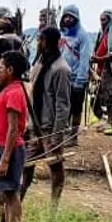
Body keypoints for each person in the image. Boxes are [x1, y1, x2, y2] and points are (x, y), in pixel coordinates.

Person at [22, 26, 71, 207]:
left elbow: (63, 105)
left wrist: (57, 135)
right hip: (35, 126)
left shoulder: (61, 69)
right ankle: (18, 198)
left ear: (48, 42)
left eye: (41, 40)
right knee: (27, 165)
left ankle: (54, 205)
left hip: (50, 129)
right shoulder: (39, 64)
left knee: (55, 166)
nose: (38, 43)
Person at [0, 51, 30, 222]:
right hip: (0, 147)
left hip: (8, 150)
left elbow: (13, 130)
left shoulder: (14, 93)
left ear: (10, 70)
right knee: (5, 192)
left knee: (11, 194)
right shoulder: (9, 90)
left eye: (0, 69)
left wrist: (5, 159)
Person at [58, 6, 93, 142]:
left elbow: (85, 59)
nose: (68, 19)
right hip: (63, 77)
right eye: (65, 16)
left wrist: (80, 80)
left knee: (76, 108)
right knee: (63, 106)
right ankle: (63, 133)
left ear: (76, 18)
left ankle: (73, 137)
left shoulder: (82, 36)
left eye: (71, 17)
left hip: (77, 78)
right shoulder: (62, 34)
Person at [90, 10, 112, 125]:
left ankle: (111, 121)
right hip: (102, 68)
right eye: (100, 20)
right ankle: (104, 119)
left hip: (111, 69)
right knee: (100, 95)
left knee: (110, 95)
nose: (102, 22)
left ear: (111, 20)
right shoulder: (103, 33)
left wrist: (99, 59)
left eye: (104, 20)